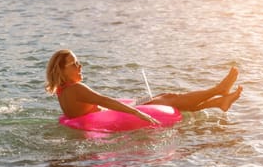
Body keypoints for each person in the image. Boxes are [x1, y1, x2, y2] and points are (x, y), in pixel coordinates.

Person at [45, 49, 243, 124]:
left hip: (99, 116)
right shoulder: (78, 89)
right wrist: (138, 112)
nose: (80, 66)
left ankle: (219, 102)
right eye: (74, 64)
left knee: (165, 96)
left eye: (78, 62)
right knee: (170, 99)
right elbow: (106, 101)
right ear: (62, 71)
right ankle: (218, 89)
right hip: (111, 118)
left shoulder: (63, 91)